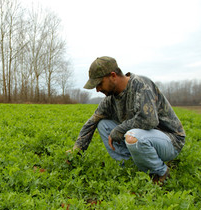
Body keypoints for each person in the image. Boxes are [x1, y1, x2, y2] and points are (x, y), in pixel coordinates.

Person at [72, 56, 185, 184]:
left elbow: (149, 121)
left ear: (113, 76)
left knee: (133, 136)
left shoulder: (141, 85)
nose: (97, 89)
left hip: (170, 141)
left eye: (99, 84)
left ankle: (161, 173)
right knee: (103, 124)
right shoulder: (110, 100)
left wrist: (119, 130)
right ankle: (129, 167)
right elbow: (92, 122)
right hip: (144, 139)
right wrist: (76, 150)